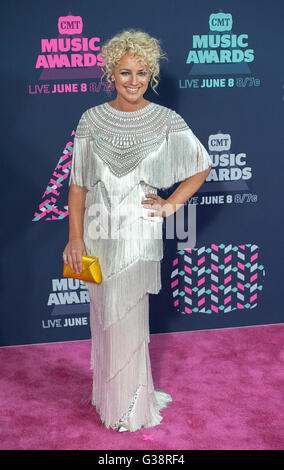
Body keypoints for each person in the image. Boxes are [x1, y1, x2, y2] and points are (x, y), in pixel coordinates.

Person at [62, 29, 212, 432]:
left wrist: (170, 205)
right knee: (105, 315)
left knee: (129, 315)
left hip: (138, 232)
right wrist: (75, 237)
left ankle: (131, 405)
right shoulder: (90, 119)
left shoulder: (166, 120)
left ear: (152, 76)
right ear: (111, 72)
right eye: (125, 72)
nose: (134, 81)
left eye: (142, 73)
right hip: (97, 232)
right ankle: (110, 394)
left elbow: (201, 165)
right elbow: (77, 185)